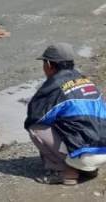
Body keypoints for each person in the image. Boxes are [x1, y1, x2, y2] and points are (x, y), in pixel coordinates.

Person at [25, 43, 106, 185]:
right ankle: (86, 168)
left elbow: (35, 116)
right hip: (103, 151)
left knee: (35, 126)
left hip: (87, 154)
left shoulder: (54, 86)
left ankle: (64, 171)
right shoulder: (86, 81)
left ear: (49, 64)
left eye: (44, 63)